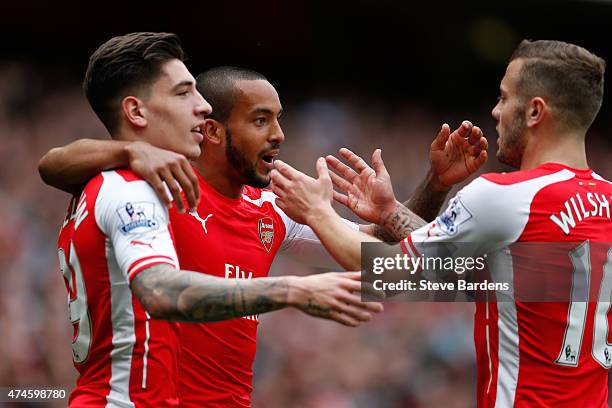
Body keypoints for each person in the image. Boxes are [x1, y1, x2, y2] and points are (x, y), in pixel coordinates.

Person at [39, 65, 487, 407]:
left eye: (278, 119)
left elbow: (382, 258)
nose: (278, 135)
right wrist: (130, 149)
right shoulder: (155, 190)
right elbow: (54, 164)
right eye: (260, 120)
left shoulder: (268, 209)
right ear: (212, 130)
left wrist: (434, 187)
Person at [49, 32, 385, 408]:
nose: (200, 107)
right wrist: (294, 290)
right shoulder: (134, 187)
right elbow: (159, 291)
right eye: (183, 94)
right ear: (137, 111)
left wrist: (410, 201)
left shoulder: (263, 207)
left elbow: (399, 265)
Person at [270, 39, 612, 407]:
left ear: (534, 112)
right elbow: (466, 269)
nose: (496, 111)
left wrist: (317, 211)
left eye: (504, 97)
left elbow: (387, 273)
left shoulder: (508, 195)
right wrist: (392, 211)